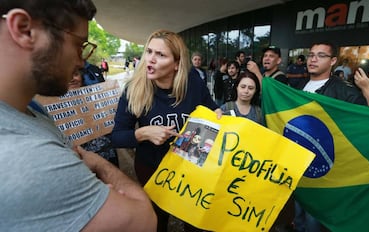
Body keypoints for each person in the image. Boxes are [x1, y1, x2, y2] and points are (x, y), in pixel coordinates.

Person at [0, 1, 156, 231]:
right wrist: (96, 163)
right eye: (78, 44)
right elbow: (143, 220)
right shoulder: (26, 157)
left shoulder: (33, 110)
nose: (81, 62)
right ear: (24, 29)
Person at [111, 29, 221, 232]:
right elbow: (116, 137)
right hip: (152, 169)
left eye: (160, 55)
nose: (150, 60)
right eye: (149, 52)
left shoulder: (193, 83)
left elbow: (212, 108)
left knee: (193, 222)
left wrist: (218, 113)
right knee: (157, 222)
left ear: (177, 64)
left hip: (190, 169)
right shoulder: (133, 89)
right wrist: (143, 133)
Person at [293, 41, 366, 232]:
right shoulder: (299, 86)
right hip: (298, 164)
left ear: (333, 60)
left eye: (320, 55)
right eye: (311, 55)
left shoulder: (346, 92)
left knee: (314, 221)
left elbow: (359, 128)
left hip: (325, 170)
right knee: (298, 215)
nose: (313, 59)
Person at [70, 69, 120, 166]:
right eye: (66, 75)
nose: (72, 79)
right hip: (79, 161)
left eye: (75, 74)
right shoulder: (49, 105)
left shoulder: (96, 95)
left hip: (107, 153)